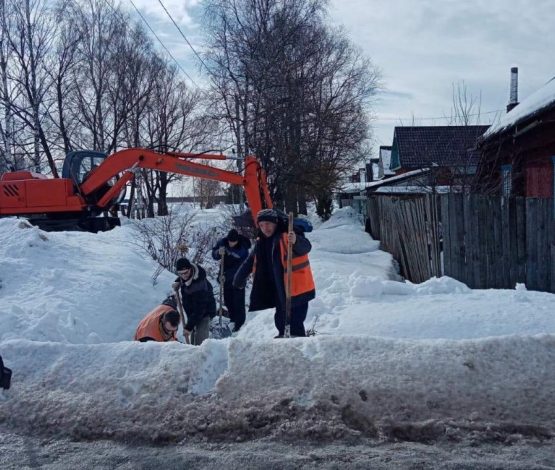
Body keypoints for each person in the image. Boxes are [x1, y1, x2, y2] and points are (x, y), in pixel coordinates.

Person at [234, 208, 316, 338]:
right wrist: (238, 279)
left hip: (296, 289)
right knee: (280, 321)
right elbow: (249, 261)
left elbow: (306, 247)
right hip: (279, 290)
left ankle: (298, 347)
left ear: (275, 223)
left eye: (268, 224)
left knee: (295, 323)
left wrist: (296, 241)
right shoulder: (261, 242)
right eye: (261, 225)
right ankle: (283, 345)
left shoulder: (287, 235)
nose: (265, 228)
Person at [211, 228, 251, 332]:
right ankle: (232, 320)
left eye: (233, 242)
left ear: (237, 240)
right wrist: (218, 253)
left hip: (238, 278)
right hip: (225, 276)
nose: (231, 244)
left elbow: (241, 268)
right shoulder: (223, 243)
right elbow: (214, 254)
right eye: (230, 241)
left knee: (238, 301)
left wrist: (226, 275)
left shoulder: (243, 249)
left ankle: (240, 324)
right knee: (228, 300)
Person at [173, 257, 216, 345]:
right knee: (193, 340)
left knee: (200, 342)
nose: (184, 276)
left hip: (204, 312)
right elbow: (183, 278)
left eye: (186, 273)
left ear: (190, 269)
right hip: (193, 313)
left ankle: (202, 357)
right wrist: (178, 281)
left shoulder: (199, 285)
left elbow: (200, 309)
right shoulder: (187, 276)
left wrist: (189, 327)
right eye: (181, 274)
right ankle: (193, 353)